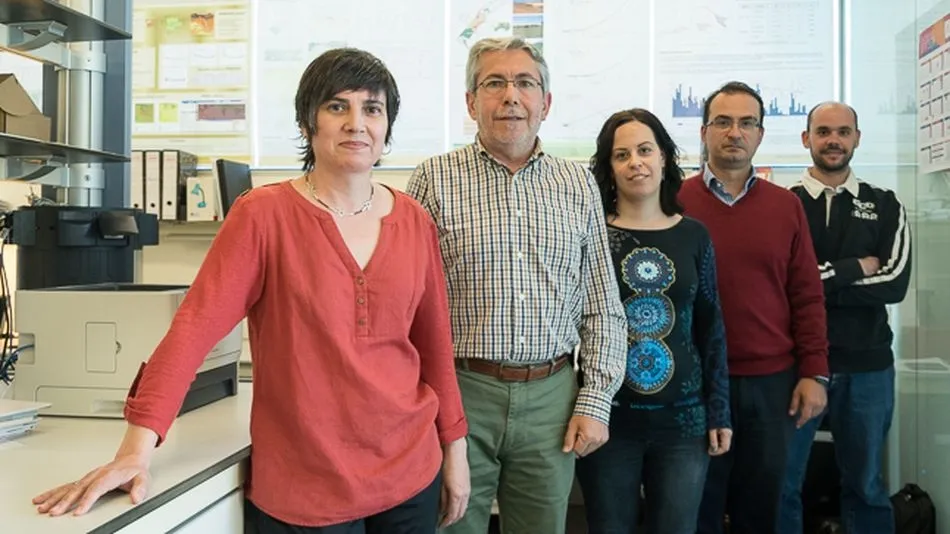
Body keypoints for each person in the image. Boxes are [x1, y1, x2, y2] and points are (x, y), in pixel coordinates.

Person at [32, 48, 471, 534]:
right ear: (308, 123)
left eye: (372, 109)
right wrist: (135, 449)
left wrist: (455, 449)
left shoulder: (413, 220)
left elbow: (434, 346)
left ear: (387, 127)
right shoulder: (263, 216)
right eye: (336, 107)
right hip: (306, 491)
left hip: (411, 474)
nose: (356, 123)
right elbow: (193, 330)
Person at [406, 36, 626, 534]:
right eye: (494, 83)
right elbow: (409, 307)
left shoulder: (578, 184)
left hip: (553, 399)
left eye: (525, 83)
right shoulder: (432, 180)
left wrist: (596, 402)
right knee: (450, 525)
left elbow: (602, 306)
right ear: (470, 101)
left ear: (545, 103)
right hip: (458, 395)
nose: (511, 95)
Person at [677, 81, 831, 534]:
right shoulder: (674, 203)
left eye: (746, 123)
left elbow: (806, 294)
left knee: (762, 510)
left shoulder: (785, 207)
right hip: (695, 384)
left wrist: (814, 373)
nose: (734, 132)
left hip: (772, 386)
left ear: (761, 134)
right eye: (722, 122)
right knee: (696, 508)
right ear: (704, 131)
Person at [573, 107, 732, 534]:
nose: (635, 162)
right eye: (621, 155)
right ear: (608, 167)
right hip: (608, 421)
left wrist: (720, 411)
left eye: (645, 150)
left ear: (664, 157)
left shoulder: (694, 235)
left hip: (683, 425)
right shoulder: (592, 235)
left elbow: (710, 326)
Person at [778, 102, 912, 534]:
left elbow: (893, 283)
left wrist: (814, 283)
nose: (832, 140)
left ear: (856, 137)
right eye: (822, 132)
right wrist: (854, 268)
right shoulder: (783, 206)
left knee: (867, 485)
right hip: (795, 367)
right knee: (782, 484)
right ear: (806, 139)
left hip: (868, 368)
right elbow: (777, 283)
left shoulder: (886, 204)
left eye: (842, 131)